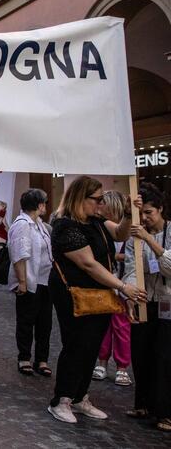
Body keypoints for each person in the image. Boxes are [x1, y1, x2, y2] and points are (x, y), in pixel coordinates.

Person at [46, 176, 146, 424]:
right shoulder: (65, 226)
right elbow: (88, 264)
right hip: (74, 294)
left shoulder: (96, 221)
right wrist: (123, 286)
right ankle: (62, 400)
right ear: (81, 198)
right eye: (97, 199)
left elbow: (121, 234)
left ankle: (80, 397)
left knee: (91, 346)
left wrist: (128, 214)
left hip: (99, 293)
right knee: (76, 344)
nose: (101, 204)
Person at [123, 183, 171, 430]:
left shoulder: (166, 232)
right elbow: (131, 268)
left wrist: (149, 240)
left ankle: (165, 412)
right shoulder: (135, 236)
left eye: (149, 213)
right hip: (145, 301)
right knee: (140, 353)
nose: (145, 218)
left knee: (164, 357)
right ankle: (142, 404)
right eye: (142, 213)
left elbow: (169, 267)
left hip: (167, 303)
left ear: (161, 209)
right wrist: (130, 296)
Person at [8, 188, 54, 377]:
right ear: (39, 205)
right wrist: (22, 282)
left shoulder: (40, 225)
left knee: (45, 322)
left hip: (45, 281)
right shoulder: (23, 224)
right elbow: (19, 255)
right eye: (44, 202)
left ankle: (42, 359)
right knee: (27, 320)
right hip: (30, 281)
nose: (46, 205)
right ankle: (24, 357)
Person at [93, 190, 133, 385]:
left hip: (123, 285)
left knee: (121, 327)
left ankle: (122, 366)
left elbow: (133, 258)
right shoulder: (99, 228)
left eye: (103, 203)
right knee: (103, 326)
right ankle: (101, 361)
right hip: (105, 285)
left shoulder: (126, 232)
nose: (99, 207)